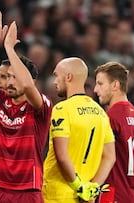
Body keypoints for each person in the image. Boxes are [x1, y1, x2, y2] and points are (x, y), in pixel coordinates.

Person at [0, 12, 52, 203]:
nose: (9, 82)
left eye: (14, 76)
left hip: (27, 190)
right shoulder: (0, 100)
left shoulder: (41, 107)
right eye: (8, 77)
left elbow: (29, 86)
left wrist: (10, 49)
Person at [42, 57, 116, 203]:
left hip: (56, 195)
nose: (54, 81)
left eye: (57, 76)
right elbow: (110, 157)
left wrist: (78, 186)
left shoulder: (62, 109)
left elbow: (62, 155)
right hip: (84, 198)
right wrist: (92, 188)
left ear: (68, 77)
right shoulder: (100, 112)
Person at [94, 61, 134, 203]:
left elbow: (102, 159)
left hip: (114, 196)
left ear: (115, 85)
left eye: (100, 84)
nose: (95, 89)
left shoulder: (109, 118)